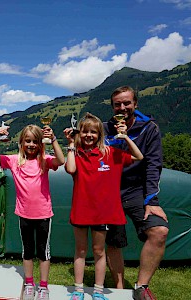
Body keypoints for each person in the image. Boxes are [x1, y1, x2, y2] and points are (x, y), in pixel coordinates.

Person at [64, 112, 143, 300]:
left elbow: (138, 156)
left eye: (93, 132)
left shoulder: (111, 154)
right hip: (81, 210)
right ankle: (78, 289)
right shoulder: (77, 153)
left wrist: (124, 137)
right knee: (80, 251)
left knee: (99, 251)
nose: (89, 135)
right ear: (79, 133)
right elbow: (71, 169)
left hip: (102, 213)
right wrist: (71, 144)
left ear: (100, 134)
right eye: (84, 132)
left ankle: (98, 291)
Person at [104, 86, 169, 300]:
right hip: (110, 191)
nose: (122, 108)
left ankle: (141, 287)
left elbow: (153, 165)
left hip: (136, 191)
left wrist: (151, 200)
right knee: (113, 240)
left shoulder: (149, 129)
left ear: (135, 104)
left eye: (127, 103)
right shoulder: (104, 129)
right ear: (112, 106)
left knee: (159, 231)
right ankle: (120, 288)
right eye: (117, 104)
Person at [0, 124, 65, 300]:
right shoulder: (15, 160)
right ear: (21, 142)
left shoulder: (44, 160)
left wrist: (53, 139)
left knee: (43, 252)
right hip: (24, 214)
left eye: (35, 141)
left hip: (44, 215)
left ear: (40, 143)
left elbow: (60, 161)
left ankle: (43, 286)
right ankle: (30, 284)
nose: (31, 145)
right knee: (28, 251)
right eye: (27, 141)